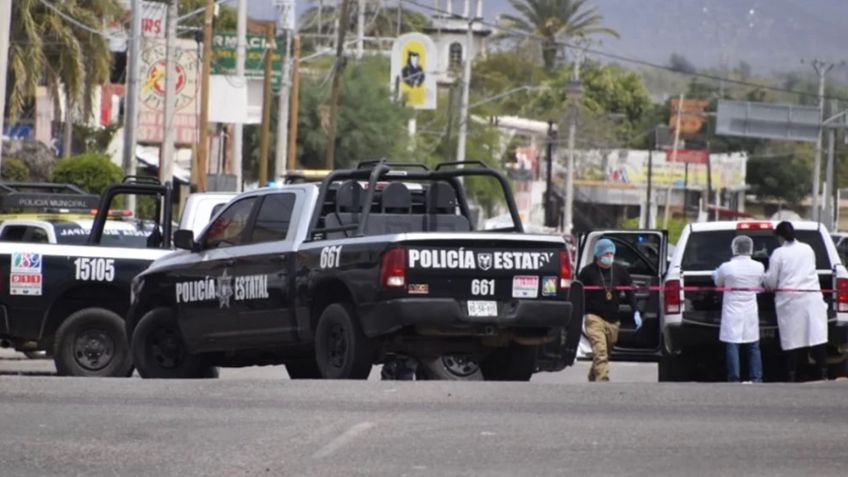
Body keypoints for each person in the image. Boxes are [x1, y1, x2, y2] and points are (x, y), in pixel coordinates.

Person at [763, 221, 828, 382]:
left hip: (790, 302)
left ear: (780, 236)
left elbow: (771, 281)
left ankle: (791, 375)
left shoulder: (778, 253)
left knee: (793, 340)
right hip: (812, 298)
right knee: (816, 337)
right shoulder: (807, 249)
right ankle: (823, 373)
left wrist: (764, 281)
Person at [578, 238, 641, 382]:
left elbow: (630, 292)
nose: (609, 256)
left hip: (613, 319)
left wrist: (636, 311)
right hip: (594, 317)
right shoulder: (587, 272)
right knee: (600, 351)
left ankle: (593, 375)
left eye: (611, 253)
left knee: (605, 351)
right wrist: (577, 314)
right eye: (606, 253)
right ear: (598, 254)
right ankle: (602, 381)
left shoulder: (620, 271)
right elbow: (579, 293)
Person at [712, 235, 764, 383]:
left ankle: (733, 377)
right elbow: (760, 284)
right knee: (753, 344)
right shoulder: (759, 266)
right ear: (750, 249)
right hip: (750, 309)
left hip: (732, 309)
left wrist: (715, 275)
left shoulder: (726, 267)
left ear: (734, 248)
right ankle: (756, 377)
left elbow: (718, 283)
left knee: (732, 343)